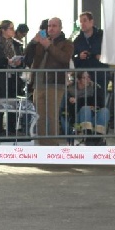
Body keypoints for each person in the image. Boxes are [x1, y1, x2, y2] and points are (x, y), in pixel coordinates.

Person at [30, 17, 74, 145]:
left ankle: (53, 145)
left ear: (60, 28)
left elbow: (65, 58)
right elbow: (28, 56)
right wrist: (33, 42)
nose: (51, 28)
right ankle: (42, 143)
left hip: (55, 84)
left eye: (54, 26)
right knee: (40, 116)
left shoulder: (67, 43)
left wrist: (49, 46)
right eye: (49, 26)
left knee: (52, 115)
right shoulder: (42, 42)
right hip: (39, 84)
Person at [0, 20, 23, 135]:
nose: (13, 31)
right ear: (3, 30)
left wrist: (18, 63)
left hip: (13, 79)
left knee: (13, 106)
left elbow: (23, 61)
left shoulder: (17, 45)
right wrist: (4, 62)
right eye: (11, 28)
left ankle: (12, 130)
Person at [60, 71, 109, 145]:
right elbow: (71, 108)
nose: (88, 80)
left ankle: (98, 137)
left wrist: (79, 101)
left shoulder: (95, 87)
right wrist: (88, 104)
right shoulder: (70, 90)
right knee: (85, 109)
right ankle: (88, 136)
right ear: (78, 80)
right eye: (84, 78)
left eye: (88, 77)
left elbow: (100, 102)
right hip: (77, 117)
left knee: (105, 111)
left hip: (94, 114)